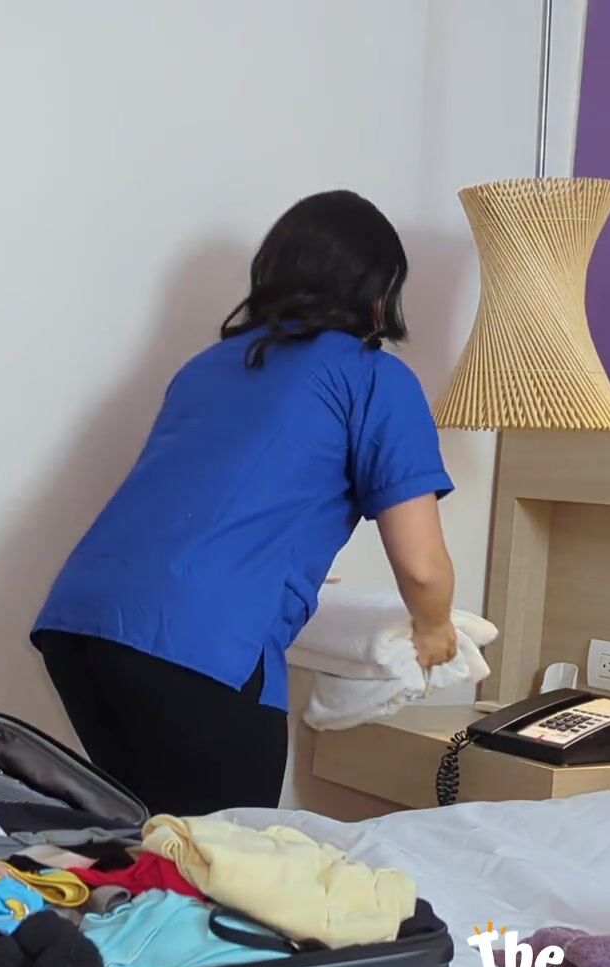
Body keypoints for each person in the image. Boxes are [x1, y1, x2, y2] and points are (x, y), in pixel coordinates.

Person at [30, 190, 459, 817]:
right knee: (233, 860)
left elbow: (210, 497)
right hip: (193, 643)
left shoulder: (207, 367)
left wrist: (276, 570)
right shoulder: (373, 376)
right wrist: (435, 627)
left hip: (81, 628)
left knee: (156, 843)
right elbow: (421, 568)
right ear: (378, 289)